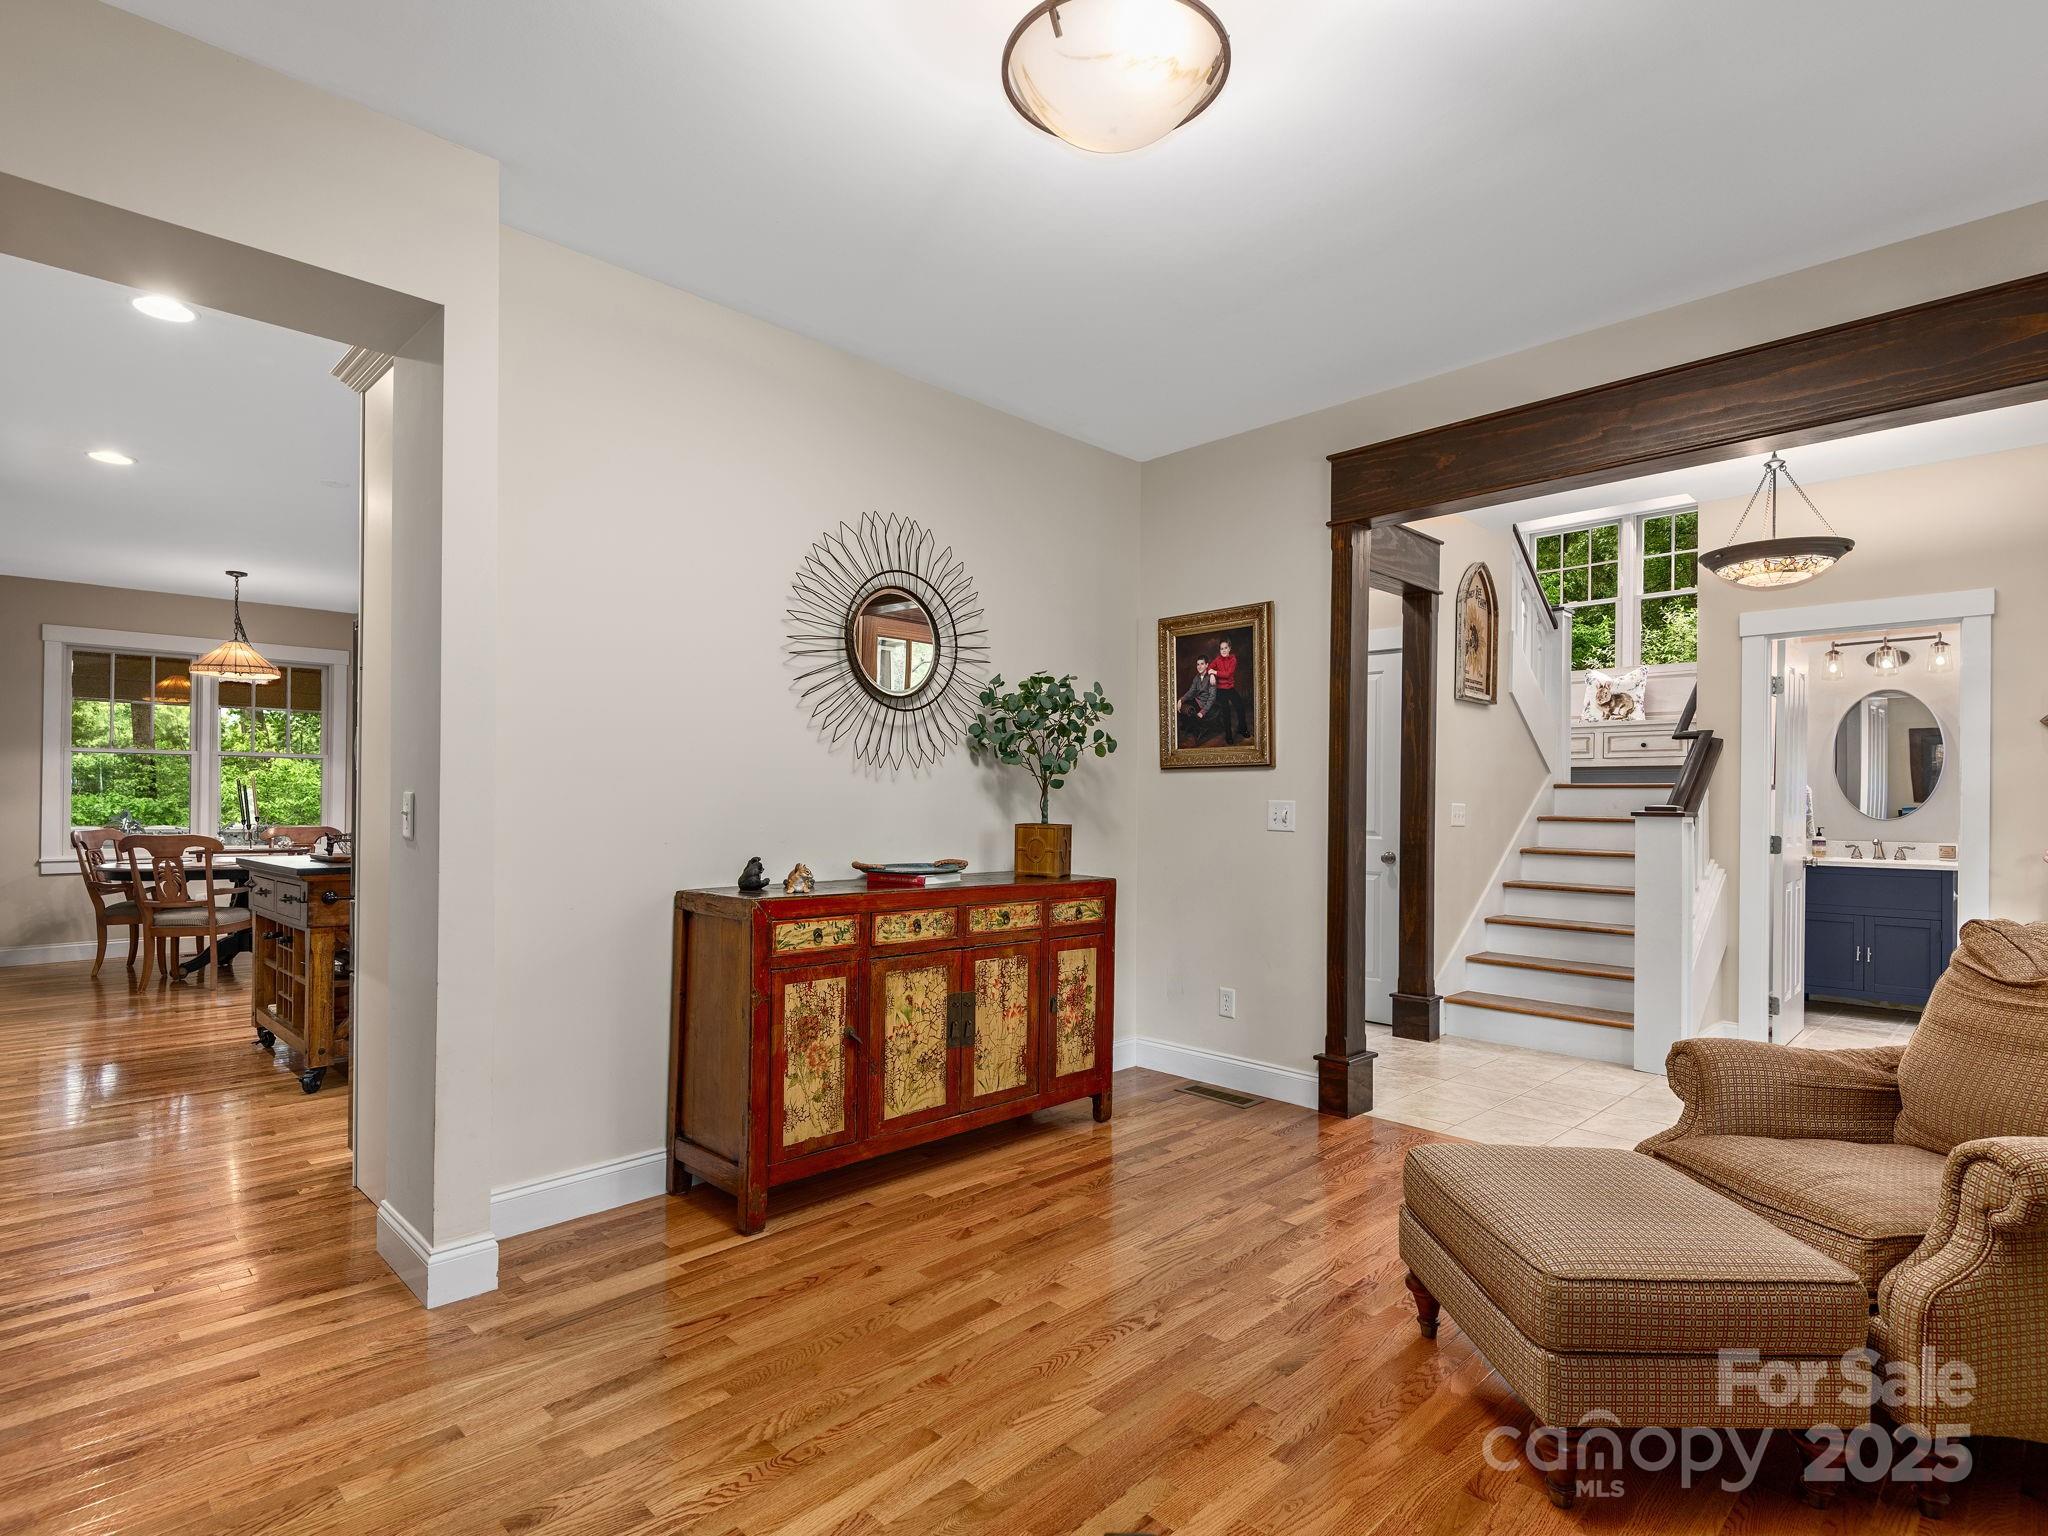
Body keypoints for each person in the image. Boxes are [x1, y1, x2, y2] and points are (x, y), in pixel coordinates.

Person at [1212, 638, 1245, 744]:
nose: (1224, 650)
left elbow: (1228, 674)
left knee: (1240, 706)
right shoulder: (1217, 659)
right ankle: (1228, 735)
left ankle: (1242, 728)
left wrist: (1215, 672)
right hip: (1221, 690)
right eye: (1221, 649)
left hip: (1230, 688)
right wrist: (1212, 675)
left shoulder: (1233, 659)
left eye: (1225, 648)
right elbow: (1209, 668)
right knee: (1226, 712)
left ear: (1229, 648)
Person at [1177, 656, 1217, 744]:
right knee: (1183, 703)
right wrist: (1181, 700)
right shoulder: (1197, 678)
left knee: (1190, 709)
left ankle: (1199, 731)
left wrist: (1203, 712)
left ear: (1207, 665)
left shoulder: (1211, 678)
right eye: (1198, 664)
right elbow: (1191, 691)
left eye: (1202, 664)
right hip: (1197, 701)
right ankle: (1188, 724)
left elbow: (1212, 698)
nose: (1199, 666)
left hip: (1206, 705)